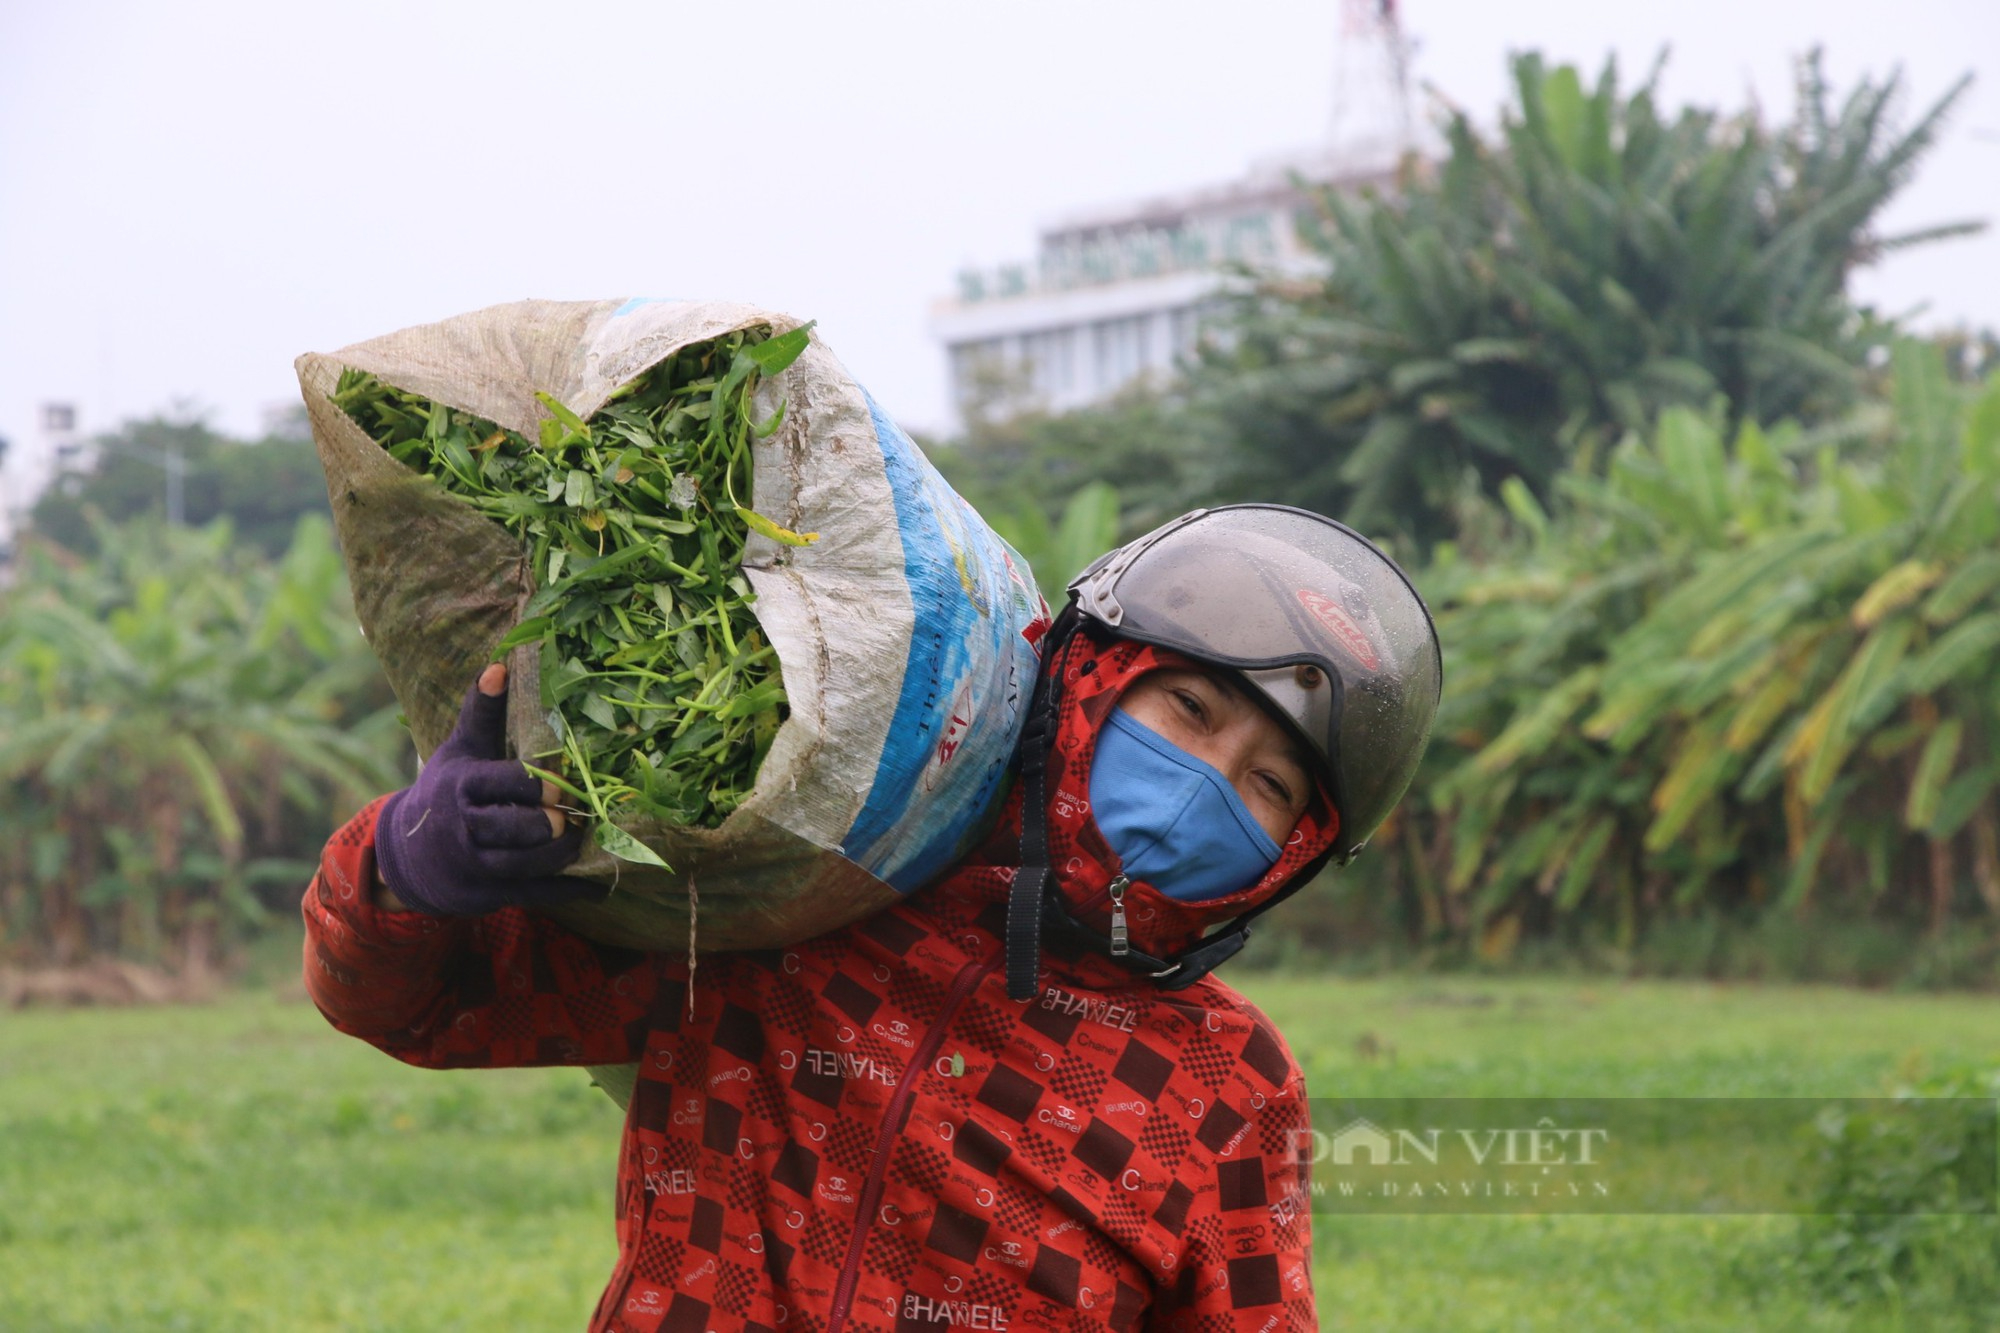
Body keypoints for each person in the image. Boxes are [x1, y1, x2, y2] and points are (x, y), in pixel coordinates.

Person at [302, 504, 1441, 1332]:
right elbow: (415, 1002)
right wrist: (406, 865)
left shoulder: (1229, 1080)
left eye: (1267, 786)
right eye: (1187, 708)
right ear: (1091, 675)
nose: (1202, 778)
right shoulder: (802, 890)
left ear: (1289, 857)